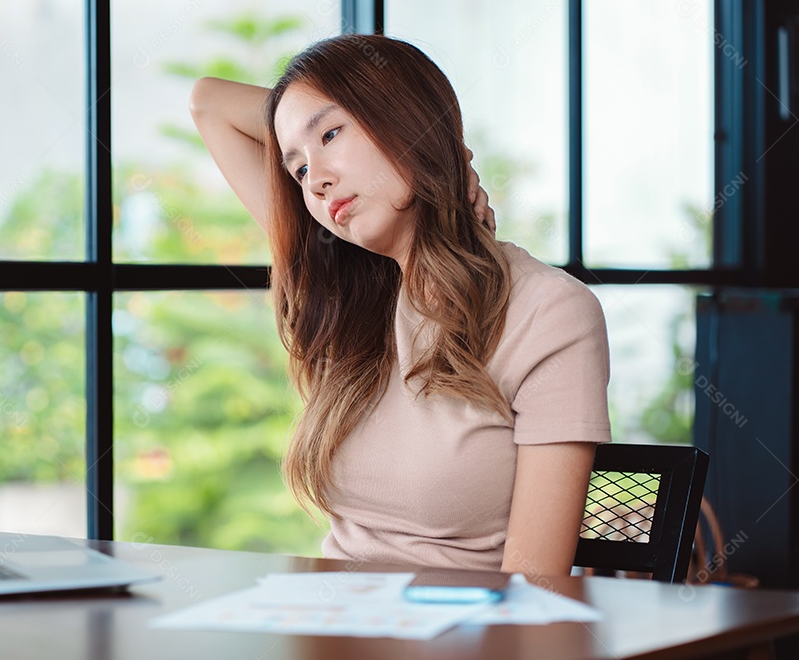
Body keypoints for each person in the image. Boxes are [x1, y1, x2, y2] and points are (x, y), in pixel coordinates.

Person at [189, 34, 610, 578]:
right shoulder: (348, 298)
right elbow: (207, 102)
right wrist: (324, 129)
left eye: (332, 133)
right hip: (329, 627)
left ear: (404, 119)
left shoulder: (549, 312)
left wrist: (435, 140)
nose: (315, 181)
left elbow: (535, 591)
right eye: (296, 169)